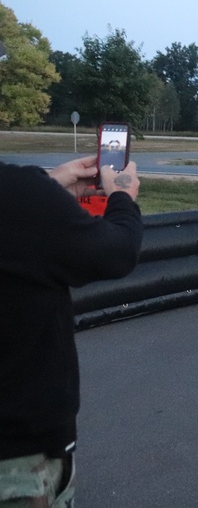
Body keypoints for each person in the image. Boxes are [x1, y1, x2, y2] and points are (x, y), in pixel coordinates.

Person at [1, 155, 143, 508]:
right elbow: (115, 251)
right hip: (16, 452)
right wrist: (122, 198)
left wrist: (47, 184)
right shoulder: (19, 194)